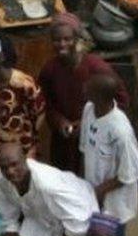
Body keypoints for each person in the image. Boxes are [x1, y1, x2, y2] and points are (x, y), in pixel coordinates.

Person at [39, 13, 129, 173]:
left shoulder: (96, 67)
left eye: (67, 39)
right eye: (57, 40)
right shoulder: (49, 69)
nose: (62, 44)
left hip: (96, 139)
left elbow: (121, 100)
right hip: (64, 140)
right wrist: (59, 121)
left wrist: (88, 123)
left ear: (77, 39)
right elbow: (46, 103)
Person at [0, 143, 98, 236]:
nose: (10, 171)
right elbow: (6, 203)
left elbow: (79, 217)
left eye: (14, 164)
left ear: (26, 158)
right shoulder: (2, 179)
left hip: (74, 219)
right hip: (40, 217)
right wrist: (11, 227)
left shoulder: (47, 182)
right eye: (4, 167)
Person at [80, 72, 138, 226]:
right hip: (92, 196)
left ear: (100, 97)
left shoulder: (120, 131)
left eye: (89, 89)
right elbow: (85, 149)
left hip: (114, 204)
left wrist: (98, 192)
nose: (84, 88)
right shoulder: (89, 109)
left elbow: (129, 174)